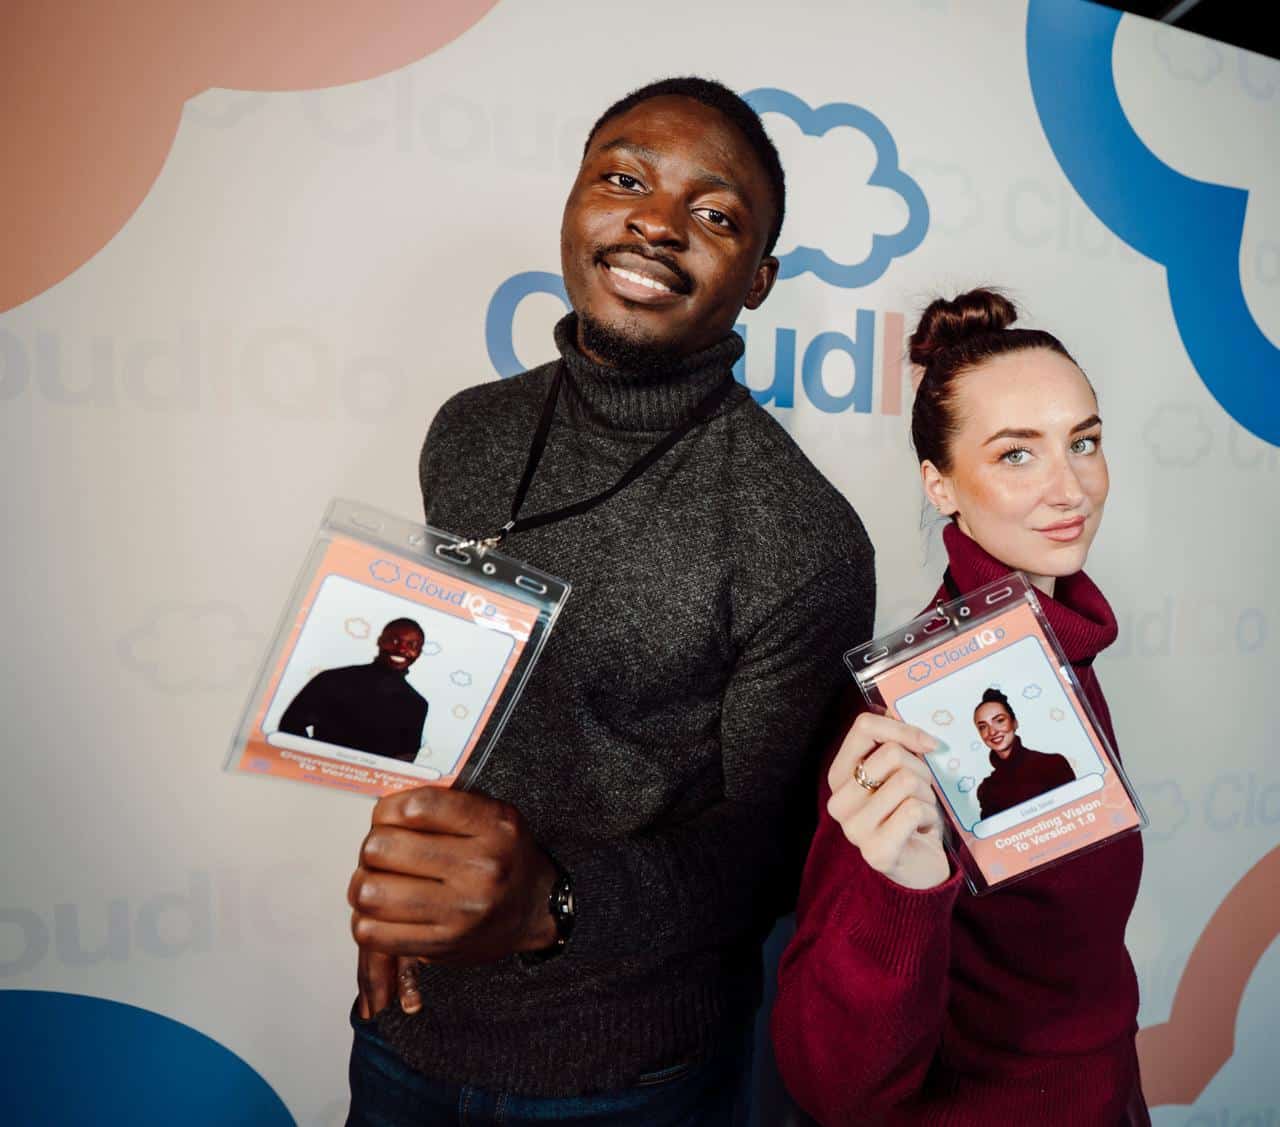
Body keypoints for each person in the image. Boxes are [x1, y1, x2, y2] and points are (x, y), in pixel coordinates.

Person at [344, 77, 875, 1125]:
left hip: (624, 1078)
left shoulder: (803, 536)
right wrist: (403, 885)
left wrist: (554, 902)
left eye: (714, 214)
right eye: (624, 178)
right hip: (406, 1019)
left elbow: (768, 852)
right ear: (573, 203)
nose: (655, 221)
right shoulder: (468, 433)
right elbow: (448, 713)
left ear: (758, 277)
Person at [771, 289, 1148, 1125]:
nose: (1070, 488)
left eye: (1083, 442)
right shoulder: (912, 703)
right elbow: (831, 1080)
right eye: (1018, 455)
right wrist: (900, 890)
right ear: (939, 486)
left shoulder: (1062, 645)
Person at [278, 617, 428, 762]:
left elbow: (406, 757)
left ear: (419, 653)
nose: (402, 649)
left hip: (366, 784)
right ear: (380, 641)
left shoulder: (417, 704)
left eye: (412, 645)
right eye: (394, 640)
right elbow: (290, 725)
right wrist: (315, 761)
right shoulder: (332, 680)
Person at [972, 687, 1075, 821]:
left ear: (1014, 723)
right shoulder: (986, 789)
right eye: (983, 727)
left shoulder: (1053, 764)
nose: (992, 732)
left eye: (999, 720)